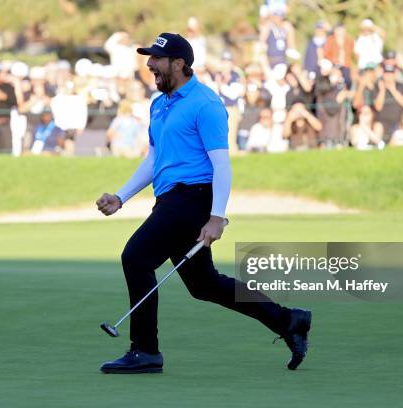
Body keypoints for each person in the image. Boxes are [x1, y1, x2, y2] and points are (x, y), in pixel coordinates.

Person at [96, 32, 311, 374]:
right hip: (170, 199)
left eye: (156, 59)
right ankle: (289, 320)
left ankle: (145, 352)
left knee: (136, 258)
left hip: (192, 198)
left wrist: (217, 217)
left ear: (179, 63)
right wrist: (121, 196)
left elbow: (222, 164)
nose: (149, 64)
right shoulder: (159, 104)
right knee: (203, 285)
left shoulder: (206, 104)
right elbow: (154, 159)